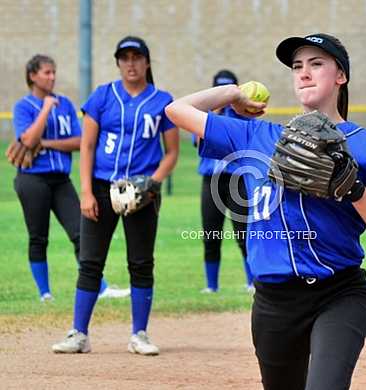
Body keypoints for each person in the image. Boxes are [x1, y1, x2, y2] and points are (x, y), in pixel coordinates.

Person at [166, 33, 366, 389]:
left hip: (338, 293)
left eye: (316, 64)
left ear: (340, 76)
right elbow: (176, 111)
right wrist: (232, 94)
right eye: (298, 67)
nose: (304, 74)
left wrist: (354, 189)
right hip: (273, 302)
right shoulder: (257, 137)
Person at [52, 36, 179, 356]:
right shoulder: (102, 97)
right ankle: (78, 333)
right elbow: (87, 146)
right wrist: (85, 192)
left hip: (142, 193)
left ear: (147, 63)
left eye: (137, 57)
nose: (131, 63)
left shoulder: (162, 100)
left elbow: (172, 152)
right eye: (125, 58)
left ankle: (139, 334)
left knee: (140, 263)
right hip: (101, 188)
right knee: (90, 262)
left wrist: (153, 184)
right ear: (118, 63)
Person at [12, 54, 128, 302]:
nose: (52, 77)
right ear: (32, 76)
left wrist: (45, 143)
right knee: (38, 236)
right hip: (32, 179)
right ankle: (45, 293)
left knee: (80, 232)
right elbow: (27, 140)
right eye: (46, 72)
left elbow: (80, 141)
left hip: (61, 180)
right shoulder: (23, 106)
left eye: (54, 72)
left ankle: (100, 287)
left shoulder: (64, 104)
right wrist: (44, 111)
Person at [195, 69, 253, 293]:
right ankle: (211, 286)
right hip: (212, 180)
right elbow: (197, 141)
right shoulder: (206, 116)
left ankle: (252, 282)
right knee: (211, 233)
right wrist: (215, 109)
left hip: (237, 179)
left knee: (244, 233)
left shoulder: (243, 116)